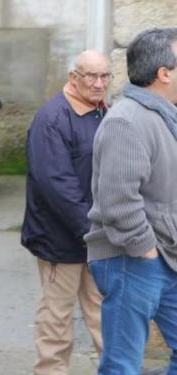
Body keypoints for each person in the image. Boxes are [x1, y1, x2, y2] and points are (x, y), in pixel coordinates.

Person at [85, 27, 177, 374]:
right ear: (163, 73)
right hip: (131, 258)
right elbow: (119, 202)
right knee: (121, 365)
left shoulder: (163, 115)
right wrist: (146, 251)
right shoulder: (127, 121)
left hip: (163, 257)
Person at [22, 50, 109, 374]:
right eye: (91, 76)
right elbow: (56, 184)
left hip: (99, 236)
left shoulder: (101, 112)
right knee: (56, 321)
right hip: (61, 238)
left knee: (105, 315)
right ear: (73, 77)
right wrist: (91, 230)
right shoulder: (53, 117)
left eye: (104, 76)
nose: (99, 84)